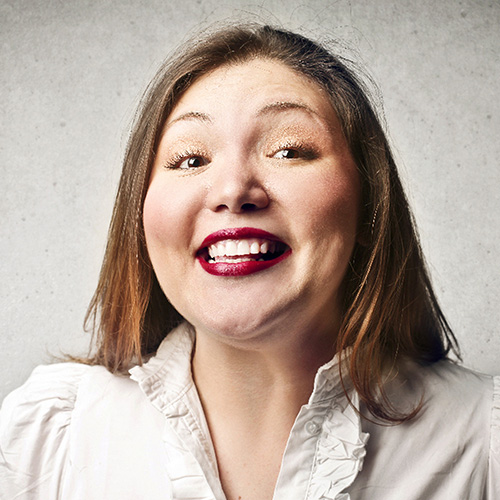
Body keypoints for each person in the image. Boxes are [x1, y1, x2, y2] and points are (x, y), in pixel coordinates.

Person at [0, 23, 498, 500]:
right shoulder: (47, 443)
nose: (233, 189)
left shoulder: (484, 443)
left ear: (371, 201)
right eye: (191, 159)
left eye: (289, 151)